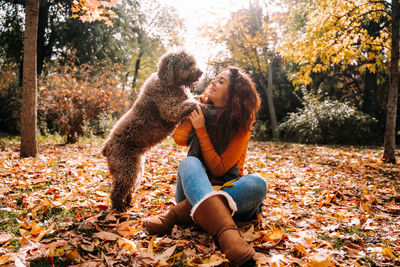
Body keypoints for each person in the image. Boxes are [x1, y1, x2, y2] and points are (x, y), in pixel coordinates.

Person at [143, 66, 267, 266]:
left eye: (221, 81)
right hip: (194, 190)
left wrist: (201, 130)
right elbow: (179, 139)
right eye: (215, 78)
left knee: (257, 183)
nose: (213, 82)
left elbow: (220, 169)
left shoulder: (241, 126)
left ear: (234, 94)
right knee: (189, 163)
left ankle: (176, 214)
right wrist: (192, 112)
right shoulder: (198, 109)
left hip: (230, 191)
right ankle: (228, 235)